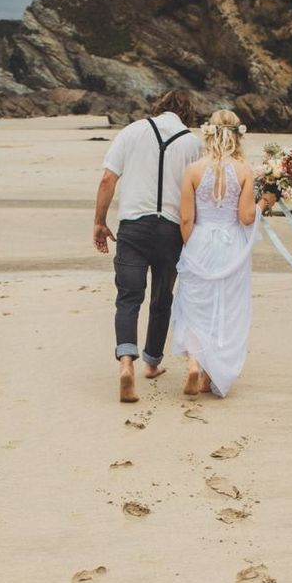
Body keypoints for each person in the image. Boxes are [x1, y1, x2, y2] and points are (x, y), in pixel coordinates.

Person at [93, 89, 202, 402]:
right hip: (171, 230)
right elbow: (197, 193)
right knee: (161, 298)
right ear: (187, 113)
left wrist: (100, 222)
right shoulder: (192, 143)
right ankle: (152, 362)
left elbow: (107, 180)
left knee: (128, 297)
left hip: (133, 228)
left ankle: (126, 363)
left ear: (159, 107)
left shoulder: (132, 131)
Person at [170, 109, 260, 398]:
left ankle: (195, 363)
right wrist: (266, 203)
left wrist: (190, 247)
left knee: (195, 306)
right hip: (231, 245)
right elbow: (246, 217)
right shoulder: (245, 170)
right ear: (238, 134)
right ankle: (211, 374)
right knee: (225, 308)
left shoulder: (194, 169)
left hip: (200, 240)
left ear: (208, 133)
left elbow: (186, 218)